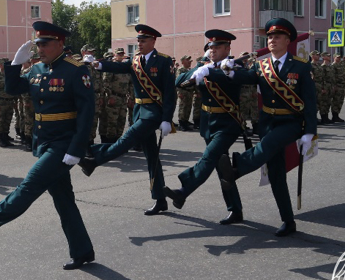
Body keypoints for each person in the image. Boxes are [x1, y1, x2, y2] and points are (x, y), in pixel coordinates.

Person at [0, 21, 96, 270]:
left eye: (45, 44)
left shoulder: (76, 70)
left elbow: (87, 112)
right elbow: (12, 89)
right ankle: (82, 250)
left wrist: (77, 149)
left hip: (63, 144)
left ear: (60, 43)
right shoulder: (36, 70)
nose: (40, 49)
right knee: (64, 201)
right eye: (38, 44)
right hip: (44, 142)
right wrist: (14, 64)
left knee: (29, 185)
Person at [216, 18, 317, 237]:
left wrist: (310, 131)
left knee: (268, 144)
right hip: (267, 122)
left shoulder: (300, 65)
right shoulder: (261, 66)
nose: (272, 40)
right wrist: (230, 70)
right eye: (269, 37)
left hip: (290, 123)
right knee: (276, 173)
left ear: (287, 40)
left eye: (277, 37)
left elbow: (310, 100)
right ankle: (288, 221)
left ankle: (236, 168)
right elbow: (247, 77)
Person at [79, 24, 176, 215]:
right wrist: (98, 64)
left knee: (125, 140)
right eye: (138, 40)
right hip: (140, 111)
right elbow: (119, 67)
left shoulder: (164, 61)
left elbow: (170, 93)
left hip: (153, 113)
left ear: (153, 41)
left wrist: (167, 119)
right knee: (152, 158)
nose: (139, 43)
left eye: (143, 40)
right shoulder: (136, 60)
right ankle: (160, 199)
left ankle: (93, 158)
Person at [164, 30, 244, 224]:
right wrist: (201, 65)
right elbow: (179, 82)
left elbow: (228, 79)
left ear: (227, 48)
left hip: (227, 122)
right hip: (209, 123)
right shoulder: (204, 66)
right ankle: (235, 210)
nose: (213, 50)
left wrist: (211, 70)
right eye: (210, 47)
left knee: (209, 158)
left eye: (217, 47)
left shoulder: (235, 65)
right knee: (220, 166)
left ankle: (184, 190)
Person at [0, 58, 16, 147]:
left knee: (7, 120)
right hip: (1, 102)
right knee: (0, 121)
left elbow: (13, 88)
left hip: (10, 101)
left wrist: (15, 100)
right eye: (4, 64)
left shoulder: (9, 75)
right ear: (1, 65)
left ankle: (5, 137)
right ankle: (1, 139)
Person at [175, 55, 195, 131]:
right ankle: (182, 123)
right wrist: (179, 92)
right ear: (183, 62)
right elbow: (178, 81)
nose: (189, 62)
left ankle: (185, 121)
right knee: (183, 108)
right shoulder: (180, 70)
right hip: (183, 91)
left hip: (190, 91)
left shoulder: (189, 70)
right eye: (187, 60)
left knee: (188, 107)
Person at [330, 54, 345, 122]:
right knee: (336, 101)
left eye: (340, 57)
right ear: (334, 58)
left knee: (340, 101)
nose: (339, 59)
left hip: (342, 85)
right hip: (337, 85)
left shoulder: (341, 65)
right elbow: (332, 76)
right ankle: (334, 116)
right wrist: (334, 86)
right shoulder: (333, 65)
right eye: (337, 57)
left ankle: (337, 115)